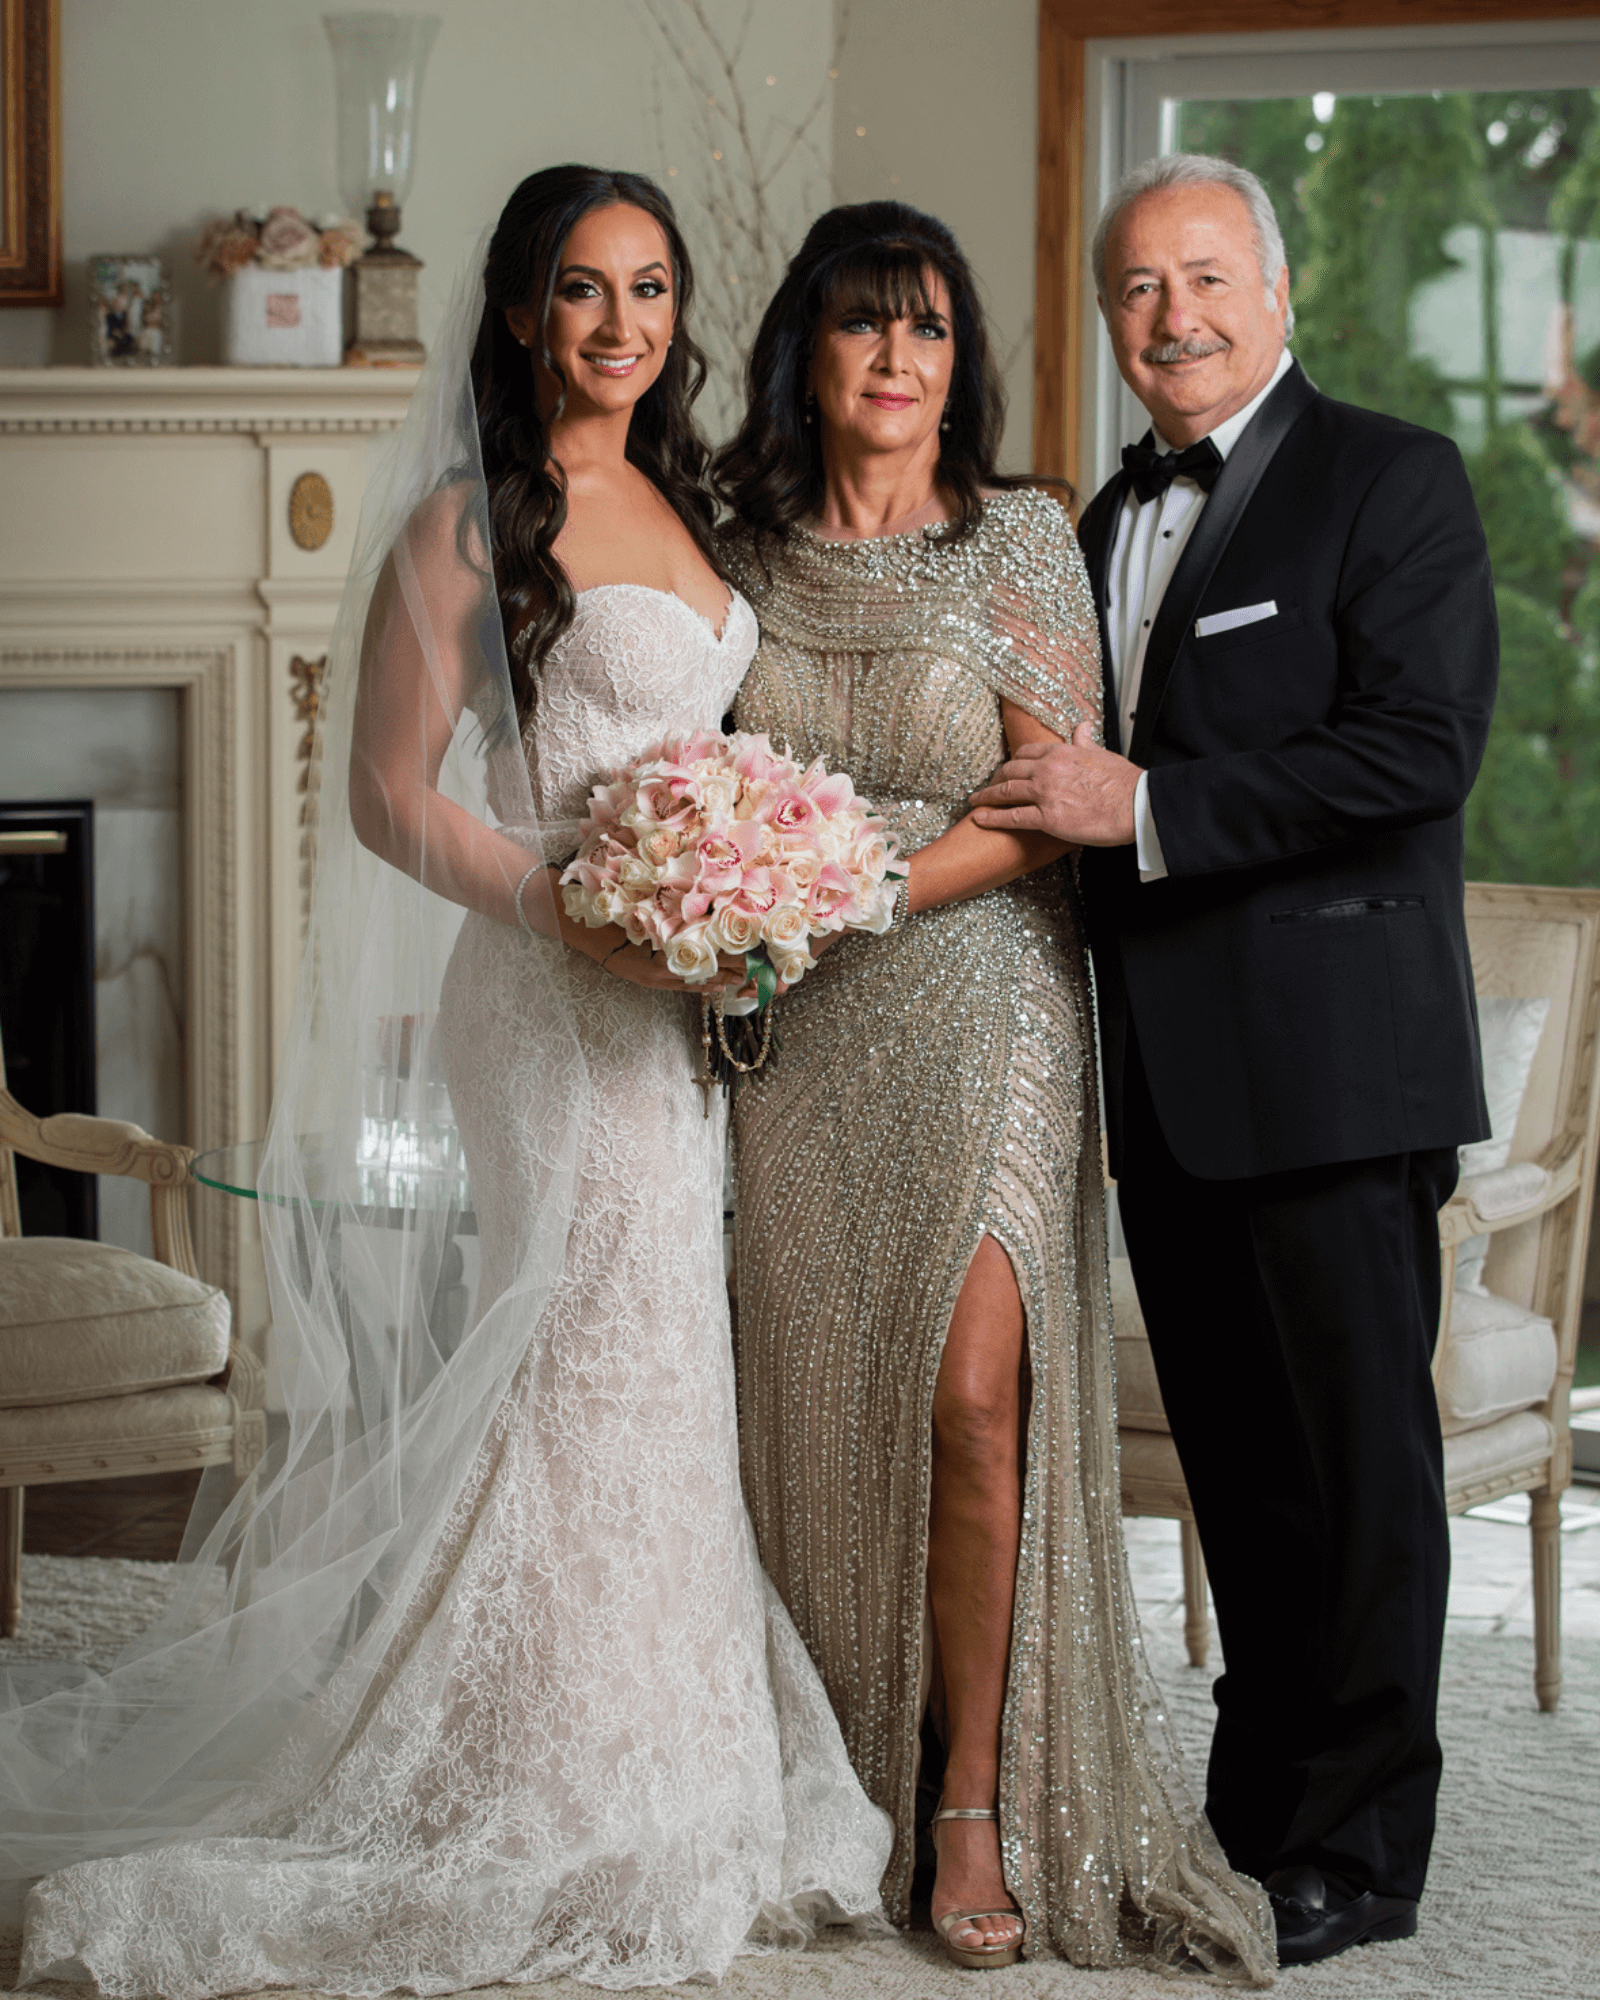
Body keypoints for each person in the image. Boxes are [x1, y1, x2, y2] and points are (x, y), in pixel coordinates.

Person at [5, 166, 891, 1994]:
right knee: (588, 1351)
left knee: (653, 1371)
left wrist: (746, 891)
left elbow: (709, 746)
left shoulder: (693, 497)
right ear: (517, 312)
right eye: (582, 291)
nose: (621, 326)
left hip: (674, 1007)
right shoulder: (467, 522)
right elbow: (391, 795)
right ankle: (533, 1776)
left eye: (649, 290)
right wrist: (584, 913)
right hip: (558, 1010)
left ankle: (649, 1741)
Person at [715, 199, 1276, 1982]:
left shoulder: (1026, 538)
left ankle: (970, 1797)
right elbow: (681, 762)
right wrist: (727, 892)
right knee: (808, 1404)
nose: (901, 361)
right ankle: (835, 1779)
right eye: (869, 327)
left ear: (963, 361)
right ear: (809, 347)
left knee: (973, 1398)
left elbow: (1049, 798)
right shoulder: (740, 548)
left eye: (933, 331)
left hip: (986, 998)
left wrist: (842, 884)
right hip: (796, 1035)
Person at [971, 152, 1497, 1967]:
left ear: (1275, 295)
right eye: (1136, 289)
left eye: (1204, 278)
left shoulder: (1393, 481)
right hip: (1169, 1088)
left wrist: (1153, 804)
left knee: (1358, 1482)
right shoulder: (1093, 515)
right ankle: (1260, 1815)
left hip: (1340, 1071)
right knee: (1249, 1482)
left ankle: (1361, 1853)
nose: (1172, 317)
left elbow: (1415, 754)